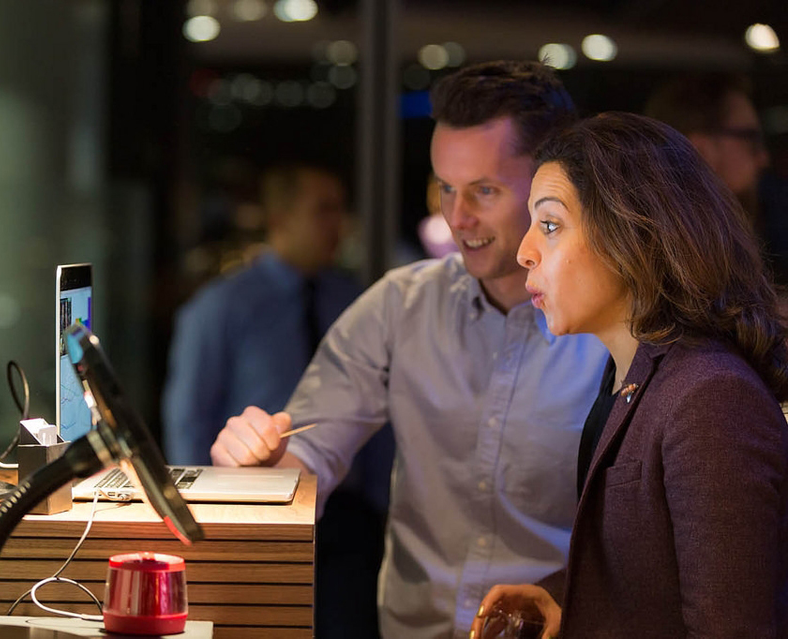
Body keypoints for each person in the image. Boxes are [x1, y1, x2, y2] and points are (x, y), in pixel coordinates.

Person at [210, 60, 610, 638]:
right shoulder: (401, 304)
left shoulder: (609, 330)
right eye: (446, 187)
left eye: (485, 191)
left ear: (554, 185)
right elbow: (309, 456)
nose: (456, 217)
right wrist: (256, 464)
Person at [472, 112, 788, 638]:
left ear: (633, 232)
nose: (524, 251)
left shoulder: (711, 398)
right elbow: (653, 578)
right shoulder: (634, 374)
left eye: (549, 225)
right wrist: (562, 597)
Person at [162, 161, 394, 638]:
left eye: (340, 209)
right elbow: (187, 419)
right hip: (256, 514)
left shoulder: (355, 302)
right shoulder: (220, 307)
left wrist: (382, 507)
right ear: (281, 218)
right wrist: (201, 536)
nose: (339, 224)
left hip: (349, 518)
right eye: (323, 210)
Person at [644, 73, 788, 284]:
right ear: (699, 149)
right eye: (750, 138)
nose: (763, 158)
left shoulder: (653, 248)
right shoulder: (697, 272)